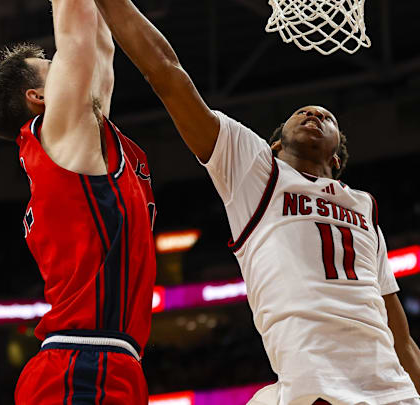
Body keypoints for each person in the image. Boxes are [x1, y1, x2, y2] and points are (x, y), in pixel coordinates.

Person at [91, 1, 420, 404]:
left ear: (336, 158)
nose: (315, 113)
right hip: (314, 385)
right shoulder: (255, 170)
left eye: (327, 117)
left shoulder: (365, 209)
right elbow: (166, 72)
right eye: (303, 112)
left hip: (391, 390)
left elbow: (402, 339)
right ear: (277, 144)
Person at [0, 0, 156, 403]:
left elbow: (99, 45)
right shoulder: (56, 131)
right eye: (56, 67)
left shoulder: (82, 140)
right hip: (82, 361)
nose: (70, 65)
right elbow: (77, 28)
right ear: (38, 97)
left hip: (99, 360)